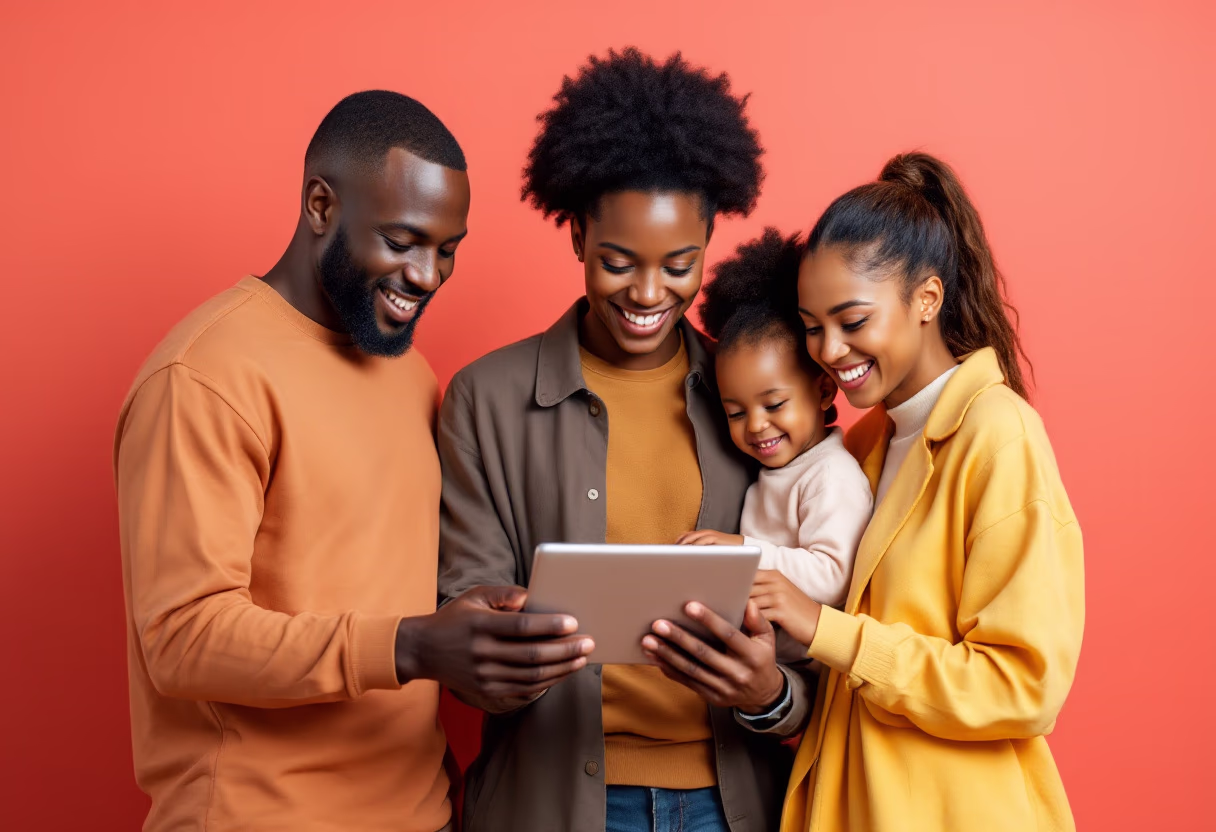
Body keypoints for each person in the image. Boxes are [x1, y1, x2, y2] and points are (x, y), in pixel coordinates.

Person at [114, 90, 592, 832]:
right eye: (402, 241)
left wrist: (473, 623)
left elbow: (378, 582)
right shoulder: (205, 375)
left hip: (421, 814)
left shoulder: (408, 374)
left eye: (447, 250)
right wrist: (410, 646)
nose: (427, 275)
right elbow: (182, 639)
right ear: (319, 206)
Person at [642, 152, 1085, 831]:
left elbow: (1022, 686)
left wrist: (824, 628)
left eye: (852, 321)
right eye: (812, 326)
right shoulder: (862, 447)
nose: (828, 349)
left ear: (926, 300)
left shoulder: (999, 435)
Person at [437, 49, 805, 832]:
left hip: (731, 803)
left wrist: (768, 694)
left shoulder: (756, 405)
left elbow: (813, 624)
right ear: (576, 235)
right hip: (551, 803)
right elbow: (458, 620)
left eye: (679, 264)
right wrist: (502, 647)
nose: (647, 294)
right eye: (616, 262)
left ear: (711, 238)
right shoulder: (483, 400)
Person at [677, 228, 873, 620]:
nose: (755, 425)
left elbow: (834, 576)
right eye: (735, 412)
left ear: (823, 391)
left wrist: (743, 553)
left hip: (802, 667)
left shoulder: (831, 475)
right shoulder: (773, 470)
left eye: (774, 404)